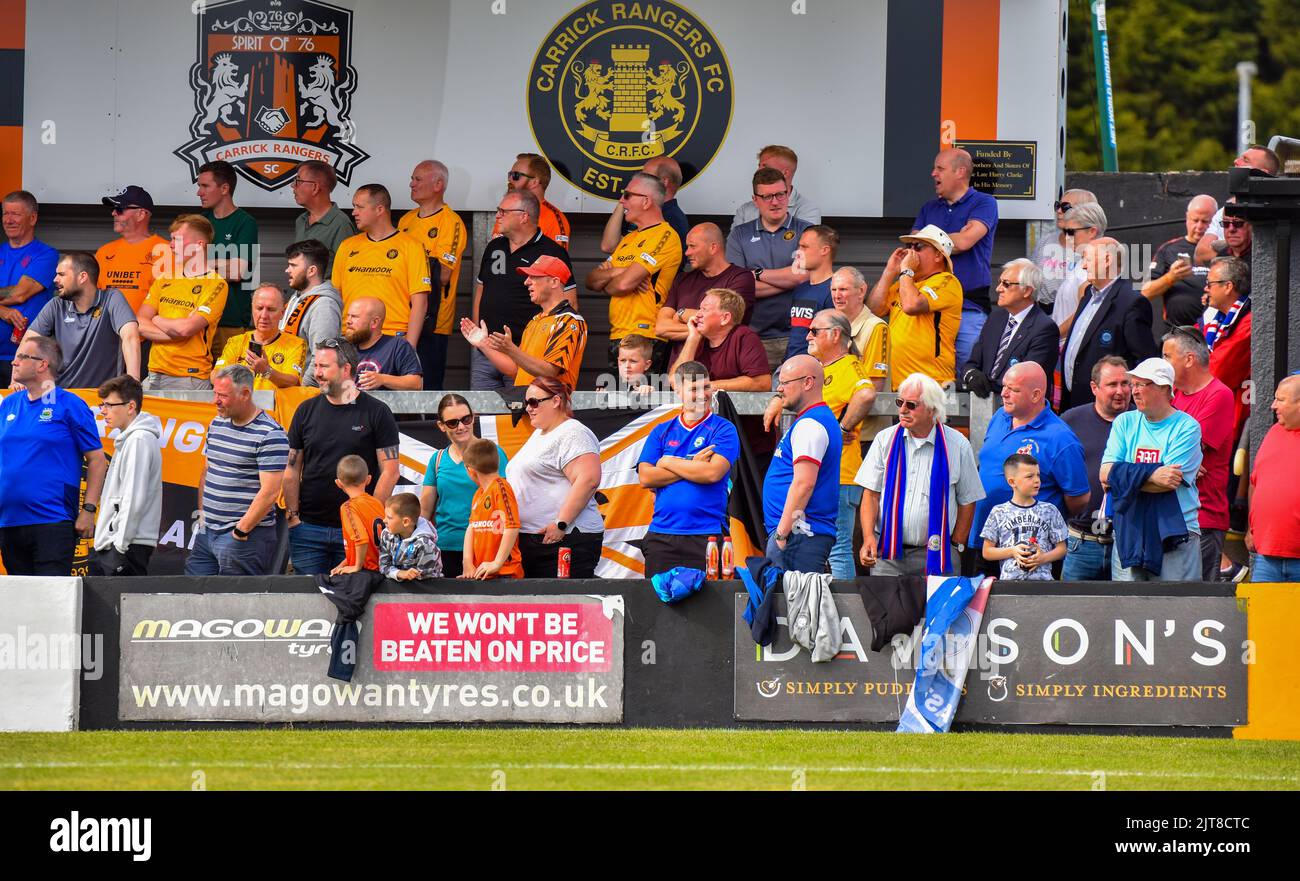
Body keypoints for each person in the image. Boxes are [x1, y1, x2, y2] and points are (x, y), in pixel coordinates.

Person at [764, 311, 877, 580]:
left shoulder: (848, 365)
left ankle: (843, 606)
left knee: (838, 552)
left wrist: (843, 427)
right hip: (810, 509)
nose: (808, 335)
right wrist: (779, 400)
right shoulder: (820, 373)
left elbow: (866, 393)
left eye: (815, 330)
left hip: (831, 489)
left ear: (836, 334)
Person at [284, 338, 401, 574]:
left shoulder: (376, 412)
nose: (317, 373)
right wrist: (293, 517)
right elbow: (292, 469)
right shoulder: (305, 410)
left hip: (357, 532)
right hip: (308, 529)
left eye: (324, 367)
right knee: (306, 603)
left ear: (346, 368)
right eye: (315, 366)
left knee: (354, 601)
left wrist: (369, 516)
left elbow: (390, 471)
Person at [856, 372, 984, 577]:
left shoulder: (958, 444)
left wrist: (954, 545)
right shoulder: (884, 439)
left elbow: (968, 500)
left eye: (912, 405)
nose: (903, 409)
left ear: (932, 410)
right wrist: (869, 536)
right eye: (900, 402)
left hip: (937, 554)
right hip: (888, 554)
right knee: (888, 610)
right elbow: (870, 494)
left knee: (936, 610)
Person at [0, 336, 106, 575]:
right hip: (9, 522)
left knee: (49, 603)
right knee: (20, 605)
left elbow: (97, 460)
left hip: (52, 521)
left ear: (42, 365)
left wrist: (88, 510)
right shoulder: (9, 404)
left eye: (22, 356)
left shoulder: (70, 404)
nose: (13, 362)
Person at [969, 361, 1090, 571]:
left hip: (1029, 553)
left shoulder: (1060, 438)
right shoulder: (1000, 417)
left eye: (1013, 389)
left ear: (1036, 395)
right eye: (1004, 386)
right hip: (985, 542)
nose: (1004, 393)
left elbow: (1078, 498)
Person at [1100, 358, 1203, 582]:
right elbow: (1105, 473)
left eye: (1142, 385)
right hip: (1131, 528)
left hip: (1175, 532)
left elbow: (1169, 483)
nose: (1134, 392)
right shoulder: (1124, 422)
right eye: (1133, 384)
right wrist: (1154, 474)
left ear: (1165, 389)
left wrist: (1123, 478)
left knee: (1177, 609)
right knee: (1128, 610)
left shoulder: (1187, 427)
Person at [637, 361, 740, 578]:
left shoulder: (724, 429)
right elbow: (646, 477)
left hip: (707, 535)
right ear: (678, 390)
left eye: (706, 387)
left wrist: (667, 461)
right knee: (657, 607)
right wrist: (693, 463)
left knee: (710, 608)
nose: (702, 394)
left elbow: (712, 473)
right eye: (694, 389)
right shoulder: (662, 431)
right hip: (662, 535)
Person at [185, 365, 287, 576]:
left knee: (236, 604)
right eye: (215, 393)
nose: (216, 400)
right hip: (208, 532)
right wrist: (203, 517)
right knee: (194, 598)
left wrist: (241, 530)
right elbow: (207, 471)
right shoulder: (216, 423)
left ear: (245, 394)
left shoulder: (270, 434)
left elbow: (270, 492)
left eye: (223, 395)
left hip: (244, 538)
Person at [471, 189, 575, 389]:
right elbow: (481, 291)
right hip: (487, 351)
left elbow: (568, 301)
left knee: (522, 413)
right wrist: (479, 337)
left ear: (523, 216)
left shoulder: (552, 251)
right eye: (498, 210)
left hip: (525, 353)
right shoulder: (494, 247)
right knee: (480, 413)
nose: (498, 215)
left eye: (503, 211)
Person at [505, 377, 604, 578]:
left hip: (564, 539)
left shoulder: (573, 432)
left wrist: (561, 523)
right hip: (537, 541)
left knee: (564, 605)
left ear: (556, 401)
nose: (528, 408)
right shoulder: (541, 433)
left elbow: (588, 479)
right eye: (526, 403)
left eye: (533, 402)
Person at [585, 173, 683, 372]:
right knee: (617, 402)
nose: (621, 201)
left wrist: (614, 278)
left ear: (646, 201)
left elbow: (621, 286)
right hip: (618, 335)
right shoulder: (628, 239)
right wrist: (621, 271)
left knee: (641, 402)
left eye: (627, 195)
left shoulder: (665, 235)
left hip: (646, 338)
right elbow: (591, 280)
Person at [914, 147, 999, 367]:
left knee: (968, 377)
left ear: (960, 172)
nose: (933, 173)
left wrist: (929, 241)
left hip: (968, 309)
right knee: (930, 383)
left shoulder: (984, 202)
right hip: (929, 310)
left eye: (940, 168)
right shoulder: (928, 208)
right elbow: (913, 248)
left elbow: (964, 242)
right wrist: (952, 238)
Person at [726, 167, 814, 373]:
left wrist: (756, 273)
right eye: (766, 197)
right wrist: (788, 279)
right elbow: (738, 289)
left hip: (800, 335)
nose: (774, 202)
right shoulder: (739, 235)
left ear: (788, 194)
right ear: (755, 200)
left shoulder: (807, 231)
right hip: (752, 336)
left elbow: (803, 275)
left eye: (780, 194)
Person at [1164, 327, 1235, 581]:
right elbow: (1168, 453)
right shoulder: (1176, 397)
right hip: (1171, 512)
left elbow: (1186, 453)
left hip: (1203, 517)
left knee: (1197, 602)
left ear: (1189, 359)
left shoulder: (1219, 395)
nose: (1163, 364)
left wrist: (1177, 460)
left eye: (1167, 356)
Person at [762, 355, 842, 573]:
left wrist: (781, 534)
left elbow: (803, 484)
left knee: (797, 607)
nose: (779, 388)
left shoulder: (811, 424)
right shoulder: (814, 420)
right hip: (800, 536)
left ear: (807, 382)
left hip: (799, 537)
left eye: (785, 383)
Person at [1058, 238, 1156, 412]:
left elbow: (1144, 361)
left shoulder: (1131, 302)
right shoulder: (1088, 294)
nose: (1084, 266)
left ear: (1107, 260)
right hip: (1073, 403)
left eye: (1087, 259)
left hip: (1109, 411)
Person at [464, 254, 586, 391]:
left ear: (554, 282)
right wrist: (484, 345)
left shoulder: (569, 320)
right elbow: (516, 371)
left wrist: (511, 349)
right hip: (527, 407)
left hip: (550, 408)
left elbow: (550, 372)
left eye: (534, 276)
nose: (526, 282)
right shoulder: (535, 321)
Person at [332, 183, 431, 347]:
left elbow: (420, 303)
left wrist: (409, 347)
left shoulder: (412, 246)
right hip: (350, 337)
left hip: (392, 337)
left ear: (379, 210)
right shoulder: (347, 246)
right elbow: (336, 296)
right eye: (354, 206)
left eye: (360, 207)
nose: (353, 212)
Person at [420, 394, 508, 578]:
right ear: (441, 426)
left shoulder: (494, 454)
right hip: (444, 549)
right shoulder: (437, 459)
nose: (461, 426)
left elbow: (507, 508)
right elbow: (424, 514)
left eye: (466, 419)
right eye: (452, 422)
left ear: (473, 417)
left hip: (486, 550)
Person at [1060, 355, 1132, 581]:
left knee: (1126, 612)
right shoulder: (1070, 421)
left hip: (1128, 544)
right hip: (1082, 542)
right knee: (1073, 613)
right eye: (1112, 384)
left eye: (1125, 383)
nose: (1120, 391)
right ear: (1094, 387)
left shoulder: (1142, 421)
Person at [137, 215, 228, 390]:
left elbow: (187, 328)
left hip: (189, 377)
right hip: (154, 373)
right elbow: (140, 322)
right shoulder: (165, 278)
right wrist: (176, 333)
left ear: (199, 245)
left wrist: (156, 319)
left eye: (176, 240)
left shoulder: (216, 284)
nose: (170, 245)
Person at [399, 159, 469, 389]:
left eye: (417, 179)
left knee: (427, 384)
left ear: (438, 184)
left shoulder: (451, 222)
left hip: (433, 320)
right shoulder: (405, 220)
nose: (411, 184)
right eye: (412, 178)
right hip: (400, 316)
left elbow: (443, 275)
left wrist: (408, 267)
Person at [867, 225, 963, 390]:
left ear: (938, 255)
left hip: (931, 383)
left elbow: (912, 305)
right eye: (909, 246)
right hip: (898, 384)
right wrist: (890, 272)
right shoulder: (905, 283)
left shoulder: (947, 281)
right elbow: (873, 310)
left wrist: (906, 271)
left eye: (918, 246)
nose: (911, 252)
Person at [26, 251, 140, 387]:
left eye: (61, 274)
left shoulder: (112, 298)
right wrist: (17, 379)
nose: (55, 279)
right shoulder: (56, 305)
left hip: (103, 399)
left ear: (82, 277)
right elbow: (29, 342)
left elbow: (131, 337)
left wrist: (134, 384)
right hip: (62, 397)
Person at [91, 374, 162, 576]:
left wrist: (119, 545)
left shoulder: (139, 439)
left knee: (123, 607)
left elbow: (133, 497)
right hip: (122, 542)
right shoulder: (131, 438)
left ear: (131, 407)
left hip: (127, 545)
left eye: (110, 405)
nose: (103, 411)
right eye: (102, 405)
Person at [656, 222, 756, 363]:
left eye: (693, 246)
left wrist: (681, 313)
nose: (687, 252)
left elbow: (726, 323)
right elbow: (661, 328)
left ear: (713, 247)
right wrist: (705, 328)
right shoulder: (682, 280)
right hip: (679, 374)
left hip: (718, 375)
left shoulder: (740, 278)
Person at [961, 259, 1059, 399]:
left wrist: (989, 386)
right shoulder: (995, 318)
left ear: (1027, 291)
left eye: (1006, 284)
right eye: (1000, 282)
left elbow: (1028, 380)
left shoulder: (1044, 329)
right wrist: (972, 375)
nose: (998, 288)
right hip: (985, 408)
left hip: (1021, 414)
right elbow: (972, 363)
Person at [196, 160, 258, 357]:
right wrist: (223, 263)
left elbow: (237, 271)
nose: (199, 192)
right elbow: (182, 266)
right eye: (199, 186)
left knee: (230, 384)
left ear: (224, 188)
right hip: (197, 322)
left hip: (230, 322)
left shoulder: (245, 222)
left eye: (205, 186)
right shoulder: (199, 222)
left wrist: (201, 263)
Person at [980, 454, 1069, 581]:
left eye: (1038, 475)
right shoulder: (998, 512)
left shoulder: (1050, 510)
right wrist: (1012, 551)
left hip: (1044, 584)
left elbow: (1062, 549)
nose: (1037, 480)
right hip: (1010, 585)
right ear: (1012, 482)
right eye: (1029, 476)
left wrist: (1043, 558)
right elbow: (987, 552)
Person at [0, 191, 58, 387]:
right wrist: (2, 310)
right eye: (5, 213)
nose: (8, 220)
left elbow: (19, 293)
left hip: (28, 358)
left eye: (15, 214)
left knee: (20, 415)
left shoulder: (46, 255)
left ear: (32, 218)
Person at [1247, 376, 1300, 582]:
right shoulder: (1274, 432)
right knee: (1261, 614)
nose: (1273, 405)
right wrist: (1250, 530)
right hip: (1267, 556)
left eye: (1281, 399)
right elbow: (1255, 482)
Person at [669, 288, 771, 391]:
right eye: (699, 309)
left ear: (725, 318)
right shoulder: (698, 340)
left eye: (705, 309)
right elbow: (676, 382)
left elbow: (762, 382)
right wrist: (693, 338)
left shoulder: (744, 337)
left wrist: (707, 386)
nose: (697, 314)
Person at [1194, 145, 1280, 265]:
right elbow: (1201, 254)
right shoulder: (1227, 209)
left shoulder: (1279, 211)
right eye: (1226, 223)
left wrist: (1227, 246)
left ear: (1262, 173)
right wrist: (1233, 246)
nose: (1236, 161)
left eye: (1245, 160)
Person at [1141, 194, 1217, 328]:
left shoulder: (1222, 248)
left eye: (1205, 222)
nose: (1199, 226)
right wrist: (1171, 277)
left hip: (1215, 329)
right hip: (1177, 331)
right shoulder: (1169, 249)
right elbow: (1145, 292)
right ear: (1187, 218)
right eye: (1195, 220)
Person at [214, 284, 305, 390]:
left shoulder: (296, 344)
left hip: (274, 406)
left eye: (271, 309)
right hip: (240, 405)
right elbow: (215, 375)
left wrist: (266, 371)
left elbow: (293, 381)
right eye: (259, 308)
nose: (264, 315)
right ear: (252, 309)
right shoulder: (236, 342)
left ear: (282, 313)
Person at [96, 185, 169, 315]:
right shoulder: (104, 252)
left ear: (141, 214)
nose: (113, 213)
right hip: (105, 332)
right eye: (114, 209)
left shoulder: (167, 251)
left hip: (145, 333)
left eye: (119, 209)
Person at [1202, 256, 1252, 446]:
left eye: (1209, 284)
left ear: (1228, 286)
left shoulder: (1248, 322)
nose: (1206, 289)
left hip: (1232, 423)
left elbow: (1218, 372)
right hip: (1217, 417)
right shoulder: (1215, 320)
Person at [282, 239, 344, 386]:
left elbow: (322, 357)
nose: (287, 270)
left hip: (302, 395)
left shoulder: (324, 305)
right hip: (287, 387)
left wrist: (303, 392)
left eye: (293, 266)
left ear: (311, 271)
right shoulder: (296, 297)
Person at [462, 438, 523, 580]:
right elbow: (472, 527)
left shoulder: (501, 487)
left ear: (470, 470)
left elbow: (512, 527)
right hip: (482, 572)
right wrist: (467, 562)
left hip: (505, 573)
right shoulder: (478, 494)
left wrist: (497, 563)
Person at [601, 156, 690, 252]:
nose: (640, 180)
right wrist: (626, 198)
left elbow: (649, 264)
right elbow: (609, 246)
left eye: (647, 177)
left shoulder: (673, 220)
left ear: (664, 183)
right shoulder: (637, 210)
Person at [1029, 190, 1097, 307]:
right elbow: (1031, 280)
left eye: (1065, 207)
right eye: (1058, 205)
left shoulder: (1094, 250)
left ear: (1086, 213)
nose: (1059, 211)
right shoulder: (1045, 241)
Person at [1048, 201, 1109, 329]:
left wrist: (1051, 336)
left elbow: (1083, 315)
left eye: (1071, 232)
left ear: (1092, 231)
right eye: (1065, 232)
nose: (1067, 238)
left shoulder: (1097, 268)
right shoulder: (1082, 261)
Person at [342, 297, 424, 391]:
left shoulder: (397, 345)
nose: (348, 321)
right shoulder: (343, 348)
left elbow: (416, 383)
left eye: (355, 316)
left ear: (374, 322)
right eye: (348, 316)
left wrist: (382, 379)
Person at [494, 152, 571, 249]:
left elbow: (557, 262)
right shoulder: (504, 212)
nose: (510, 180)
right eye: (509, 174)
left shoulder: (553, 219)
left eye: (516, 175)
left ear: (534, 182)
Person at [732, 145, 821, 228]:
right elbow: (734, 243)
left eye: (765, 166)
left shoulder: (808, 210)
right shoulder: (745, 210)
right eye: (759, 166)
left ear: (785, 173)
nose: (758, 171)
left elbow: (806, 244)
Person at [784, 226, 837, 360]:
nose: (798, 252)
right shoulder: (801, 289)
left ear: (824, 250)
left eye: (804, 247)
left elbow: (834, 340)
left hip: (814, 371)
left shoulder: (836, 290)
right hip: (790, 365)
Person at [291, 160, 356, 269]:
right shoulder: (301, 220)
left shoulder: (341, 225)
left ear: (315, 188)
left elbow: (348, 270)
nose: (292, 186)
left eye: (298, 180)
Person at [329, 454, 386, 576]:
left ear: (338, 483)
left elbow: (362, 540)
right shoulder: (376, 502)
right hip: (382, 566)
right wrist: (344, 564)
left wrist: (356, 566)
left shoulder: (348, 507)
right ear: (368, 479)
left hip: (367, 570)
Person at [830, 267, 888, 384]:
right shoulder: (828, 324)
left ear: (861, 291)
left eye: (843, 289)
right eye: (833, 289)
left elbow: (875, 383)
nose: (837, 295)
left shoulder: (876, 327)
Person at [379, 492, 444, 581]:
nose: (384, 520)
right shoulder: (386, 535)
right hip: (397, 588)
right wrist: (399, 573)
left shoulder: (425, 545)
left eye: (389, 517)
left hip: (425, 590)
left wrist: (408, 575)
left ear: (406, 522)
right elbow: (383, 566)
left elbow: (426, 578)